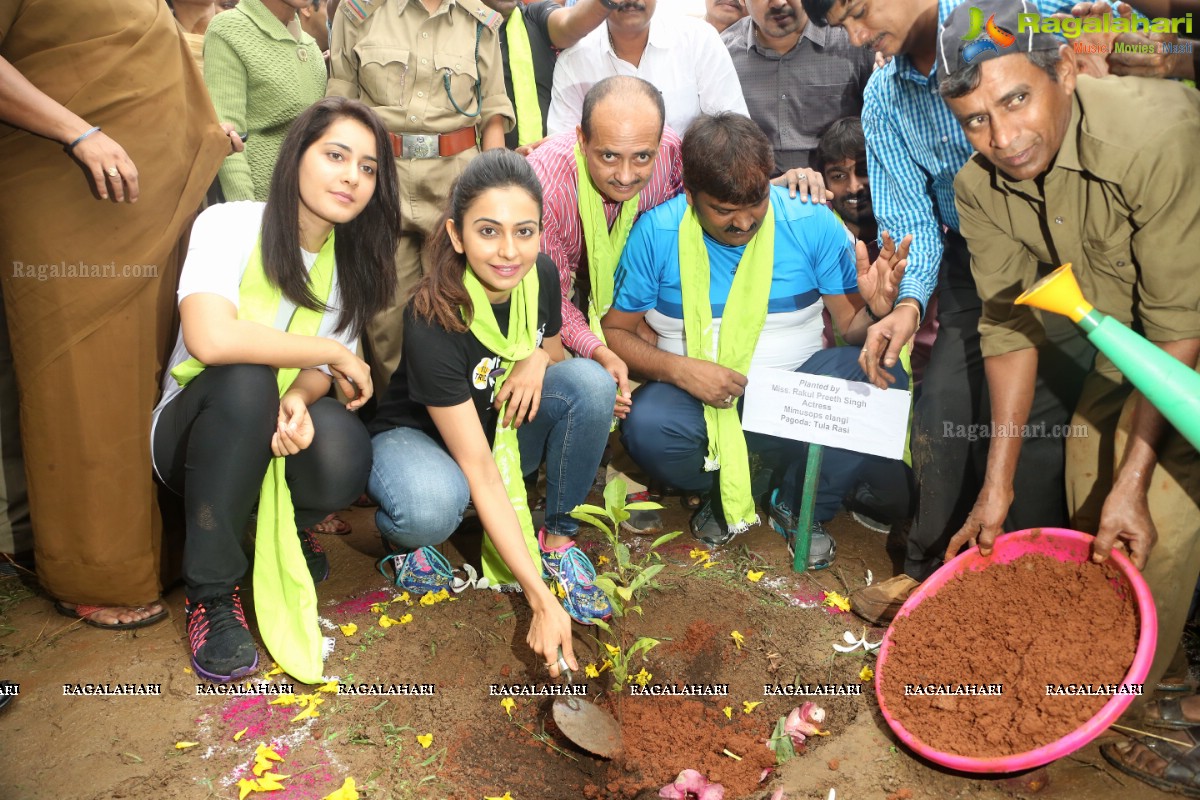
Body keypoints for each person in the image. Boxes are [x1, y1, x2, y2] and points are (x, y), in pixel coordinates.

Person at [929, 2, 1200, 790]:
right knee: (1092, 483)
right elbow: (1010, 330)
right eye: (975, 120)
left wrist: (1136, 484)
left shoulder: (1154, 135)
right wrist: (997, 489)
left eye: (1017, 100)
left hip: (1187, 338)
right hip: (1136, 347)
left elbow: (1182, 323)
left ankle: (1160, 704)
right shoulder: (979, 187)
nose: (1004, 139)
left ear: (1066, 72)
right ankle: (1163, 660)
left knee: (1162, 520)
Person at [800, 0, 1128, 621]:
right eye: (843, 26)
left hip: (1074, 253)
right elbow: (913, 220)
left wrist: (1125, 42)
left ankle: (1020, 587)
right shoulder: (885, 96)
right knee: (945, 408)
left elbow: (1115, 24)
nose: (858, 35)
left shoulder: (1008, 14)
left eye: (860, 12)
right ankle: (933, 579)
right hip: (972, 260)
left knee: (1035, 430)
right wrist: (908, 303)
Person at [0, 0, 232, 629]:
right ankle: (93, 571)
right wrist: (78, 132)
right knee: (86, 384)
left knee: (153, 375)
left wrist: (198, 131)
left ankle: (156, 553)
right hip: (69, 197)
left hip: (154, 205)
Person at [153, 97, 398, 682]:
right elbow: (211, 340)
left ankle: (280, 527)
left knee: (344, 446)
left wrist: (301, 399)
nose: (351, 177)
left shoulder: (350, 260)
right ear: (296, 157)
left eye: (368, 168)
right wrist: (333, 354)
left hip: (269, 419)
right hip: (195, 430)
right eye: (336, 156)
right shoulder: (229, 223)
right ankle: (211, 594)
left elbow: (318, 375)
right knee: (244, 380)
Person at [602, 112, 909, 560]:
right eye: (723, 211)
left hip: (797, 396)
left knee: (880, 370)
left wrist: (878, 311)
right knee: (646, 425)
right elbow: (615, 331)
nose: (743, 224)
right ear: (689, 196)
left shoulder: (810, 221)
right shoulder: (657, 232)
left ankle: (799, 503)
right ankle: (724, 490)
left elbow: (850, 328)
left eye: (756, 206)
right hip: (700, 405)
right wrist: (682, 370)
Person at [368, 149, 616, 676]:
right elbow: (479, 468)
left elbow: (554, 352)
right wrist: (540, 601)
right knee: (437, 504)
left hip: (497, 421)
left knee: (590, 384)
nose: (509, 252)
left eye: (524, 232)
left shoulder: (540, 276)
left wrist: (534, 359)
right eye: (488, 232)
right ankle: (404, 536)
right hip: (423, 438)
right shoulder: (432, 316)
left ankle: (558, 537)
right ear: (457, 236)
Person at [327, 0, 515, 396]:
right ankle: (397, 419)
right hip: (380, 179)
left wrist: (497, 192)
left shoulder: (480, 22)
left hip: (454, 182)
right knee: (383, 314)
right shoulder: (358, 11)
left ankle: (453, 414)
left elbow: (493, 113)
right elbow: (340, 104)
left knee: (455, 306)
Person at [547, 0, 749, 137]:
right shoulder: (574, 60)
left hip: (688, 190)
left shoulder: (699, 39)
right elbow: (562, 149)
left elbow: (734, 132)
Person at [721, 0, 872, 173]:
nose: (778, 3)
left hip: (840, 190)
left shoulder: (852, 40)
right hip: (759, 193)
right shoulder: (723, 55)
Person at [205, 0, 329, 202]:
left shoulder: (312, 48)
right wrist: (247, 214)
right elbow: (229, 140)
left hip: (309, 213)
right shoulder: (229, 29)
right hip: (259, 213)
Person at [480, 0, 613, 149]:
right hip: (479, 166)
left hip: (545, 164)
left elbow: (571, 23)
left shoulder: (534, 18)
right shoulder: (457, 32)